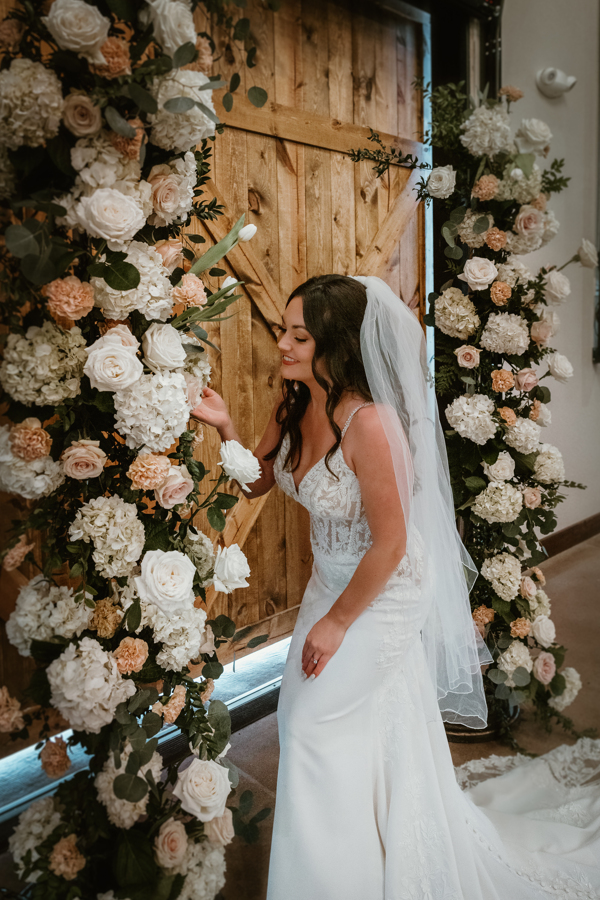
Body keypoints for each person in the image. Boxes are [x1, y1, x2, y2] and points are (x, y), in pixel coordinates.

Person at [192, 274, 600, 900]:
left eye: (300, 335)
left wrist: (336, 623)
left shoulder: (373, 424)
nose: (284, 344)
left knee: (311, 726)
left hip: (384, 592)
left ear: (338, 345)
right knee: (326, 722)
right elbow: (257, 484)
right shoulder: (293, 404)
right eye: (284, 330)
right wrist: (224, 426)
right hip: (334, 585)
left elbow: (393, 544)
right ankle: (365, 857)